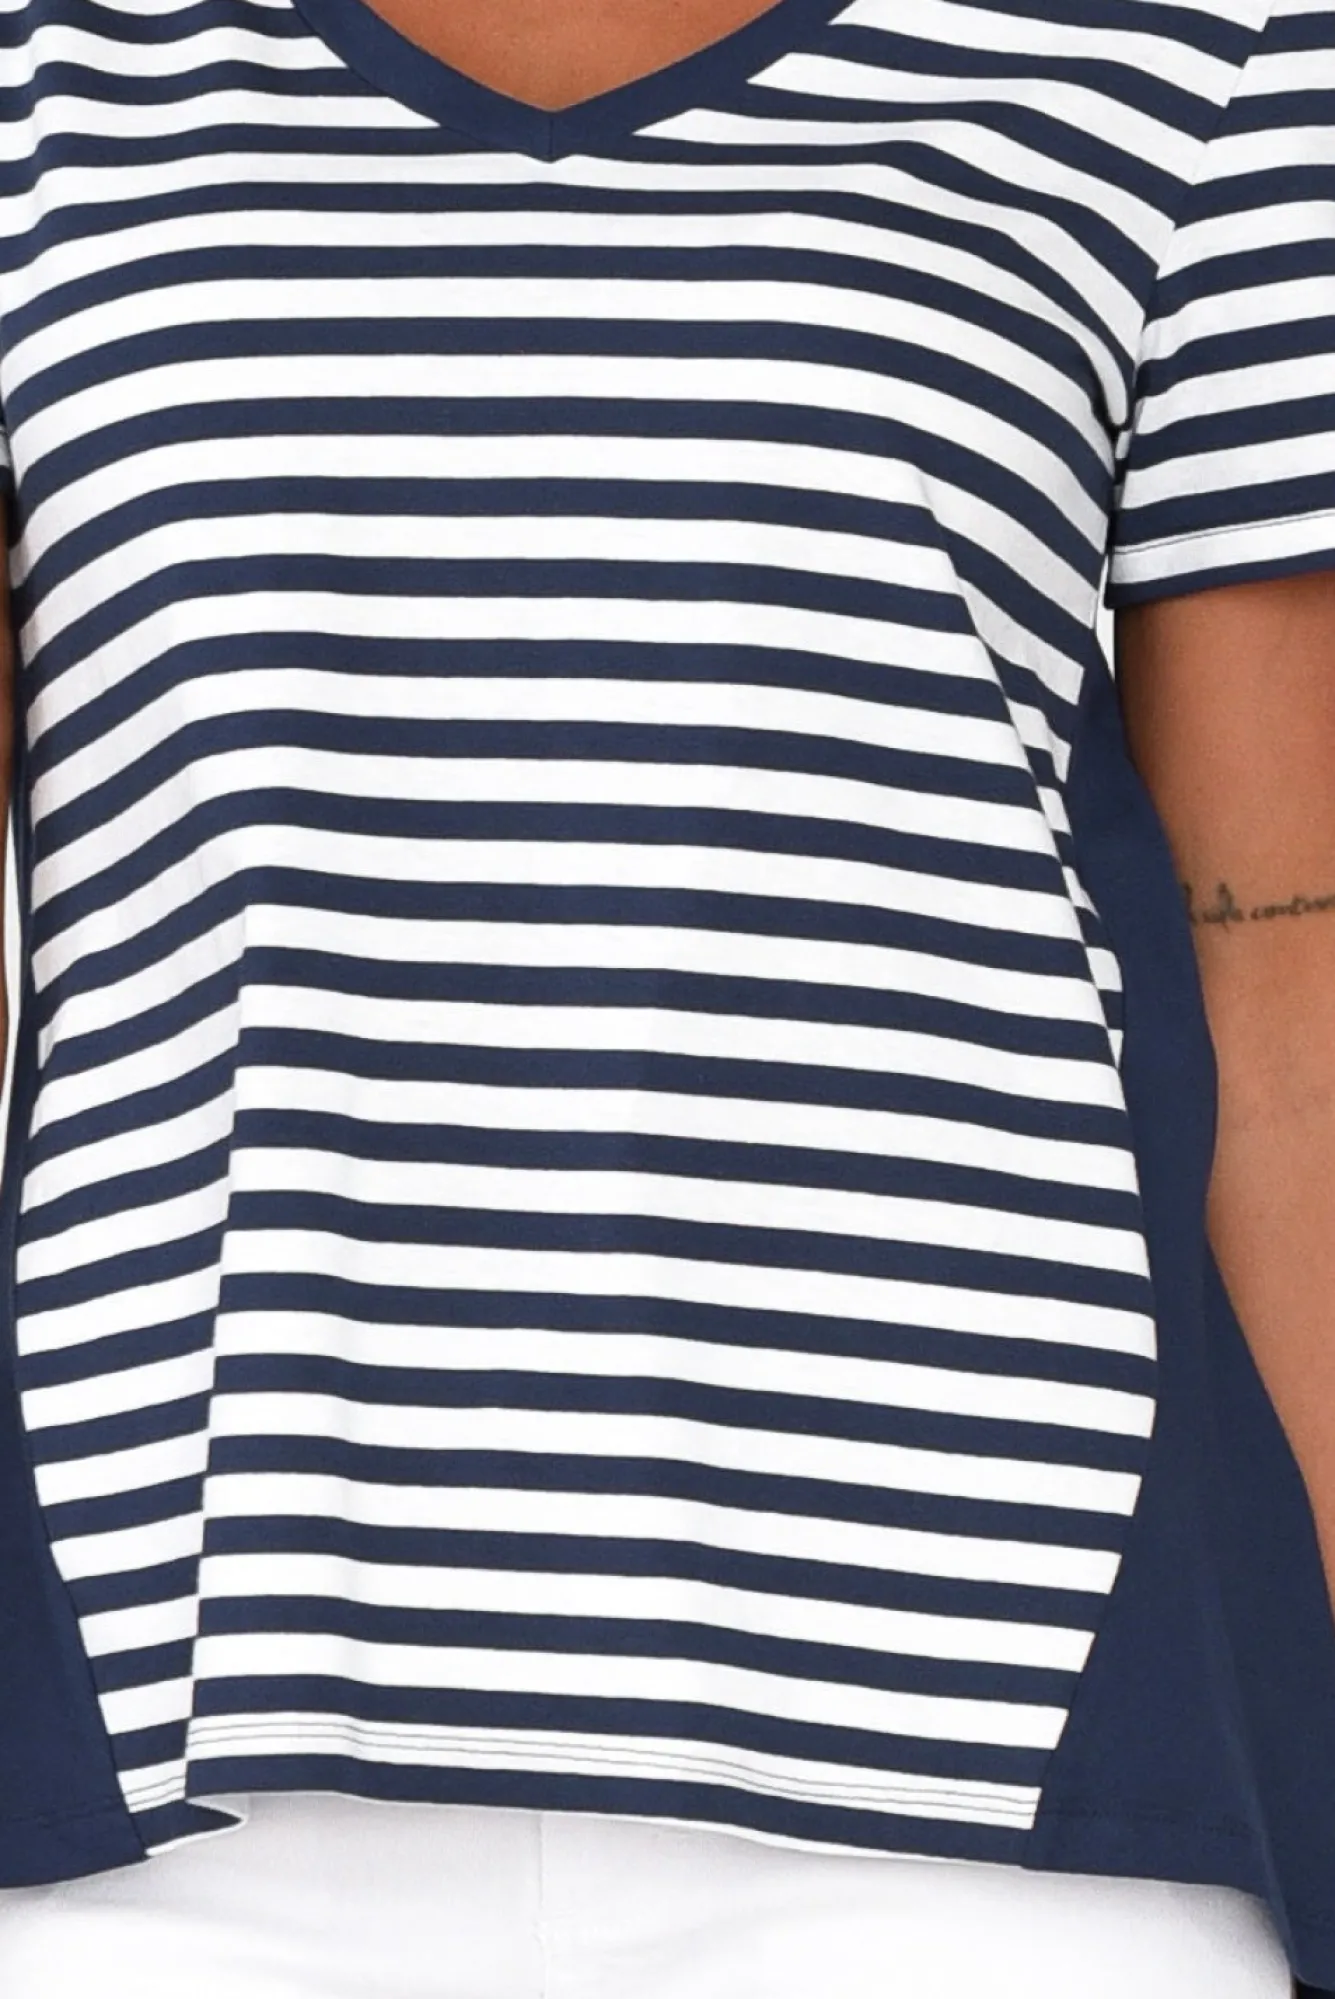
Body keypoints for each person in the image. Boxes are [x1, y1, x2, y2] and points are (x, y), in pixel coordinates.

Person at [0, 0, 1332, 1990]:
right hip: (166, 1743)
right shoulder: (46, 80)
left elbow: (1283, 982)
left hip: (1003, 1727)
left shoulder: (1195, 65)